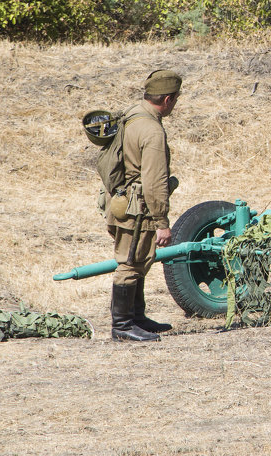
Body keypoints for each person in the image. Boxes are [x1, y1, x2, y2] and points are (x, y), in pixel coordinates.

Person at [106, 69, 181, 342]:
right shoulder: (152, 130)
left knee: (139, 260)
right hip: (138, 208)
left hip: (119, 202)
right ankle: (123, 325)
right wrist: (162, 222)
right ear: (168, 99)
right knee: (130, 263)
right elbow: (155, 182)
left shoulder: (131, 114)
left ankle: (136, 317)